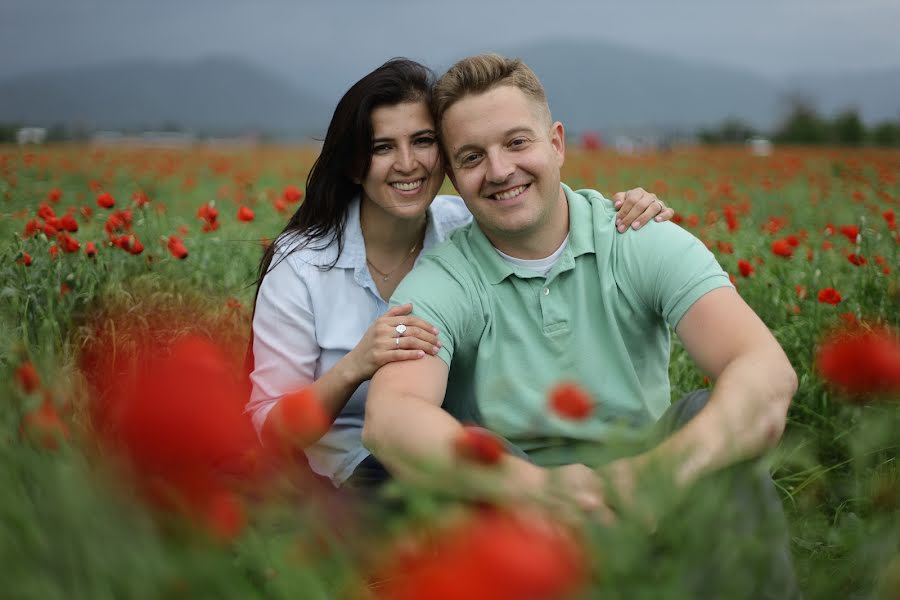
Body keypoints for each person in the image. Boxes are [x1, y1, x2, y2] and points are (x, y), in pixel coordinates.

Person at [362, 54, 799, 596]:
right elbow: (390, 417)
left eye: (517, 142)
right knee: (472, 448)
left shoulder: (636, 237)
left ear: (557, 144)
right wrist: (536, 490)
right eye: (473, 156)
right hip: (522, 533)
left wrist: (651, 480)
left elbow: (766, 371)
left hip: (655, 506)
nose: (499, 171)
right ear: (453, 175)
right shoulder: (446, 279)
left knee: (709, 415)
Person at [245, 58, 673, 489]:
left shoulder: (465, 227)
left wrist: (628, 210)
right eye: (383, 147)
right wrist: (354, 367)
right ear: (356, 165)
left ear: (447, 156)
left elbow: (545, 211)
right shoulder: (302, 266)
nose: (408, 163)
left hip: (462, 465)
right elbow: (271, 430)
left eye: (423, 141)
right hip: (351, 478)